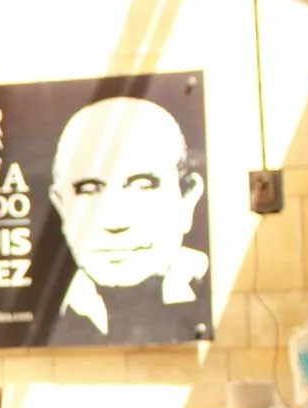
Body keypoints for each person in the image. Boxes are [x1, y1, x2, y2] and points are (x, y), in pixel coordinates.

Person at [42, 95, 211, 345]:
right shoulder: (46, 307)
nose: (115, 222)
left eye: (143, 186)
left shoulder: (212, 292)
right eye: (89, 189)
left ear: (188, 198)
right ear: (61, 205)